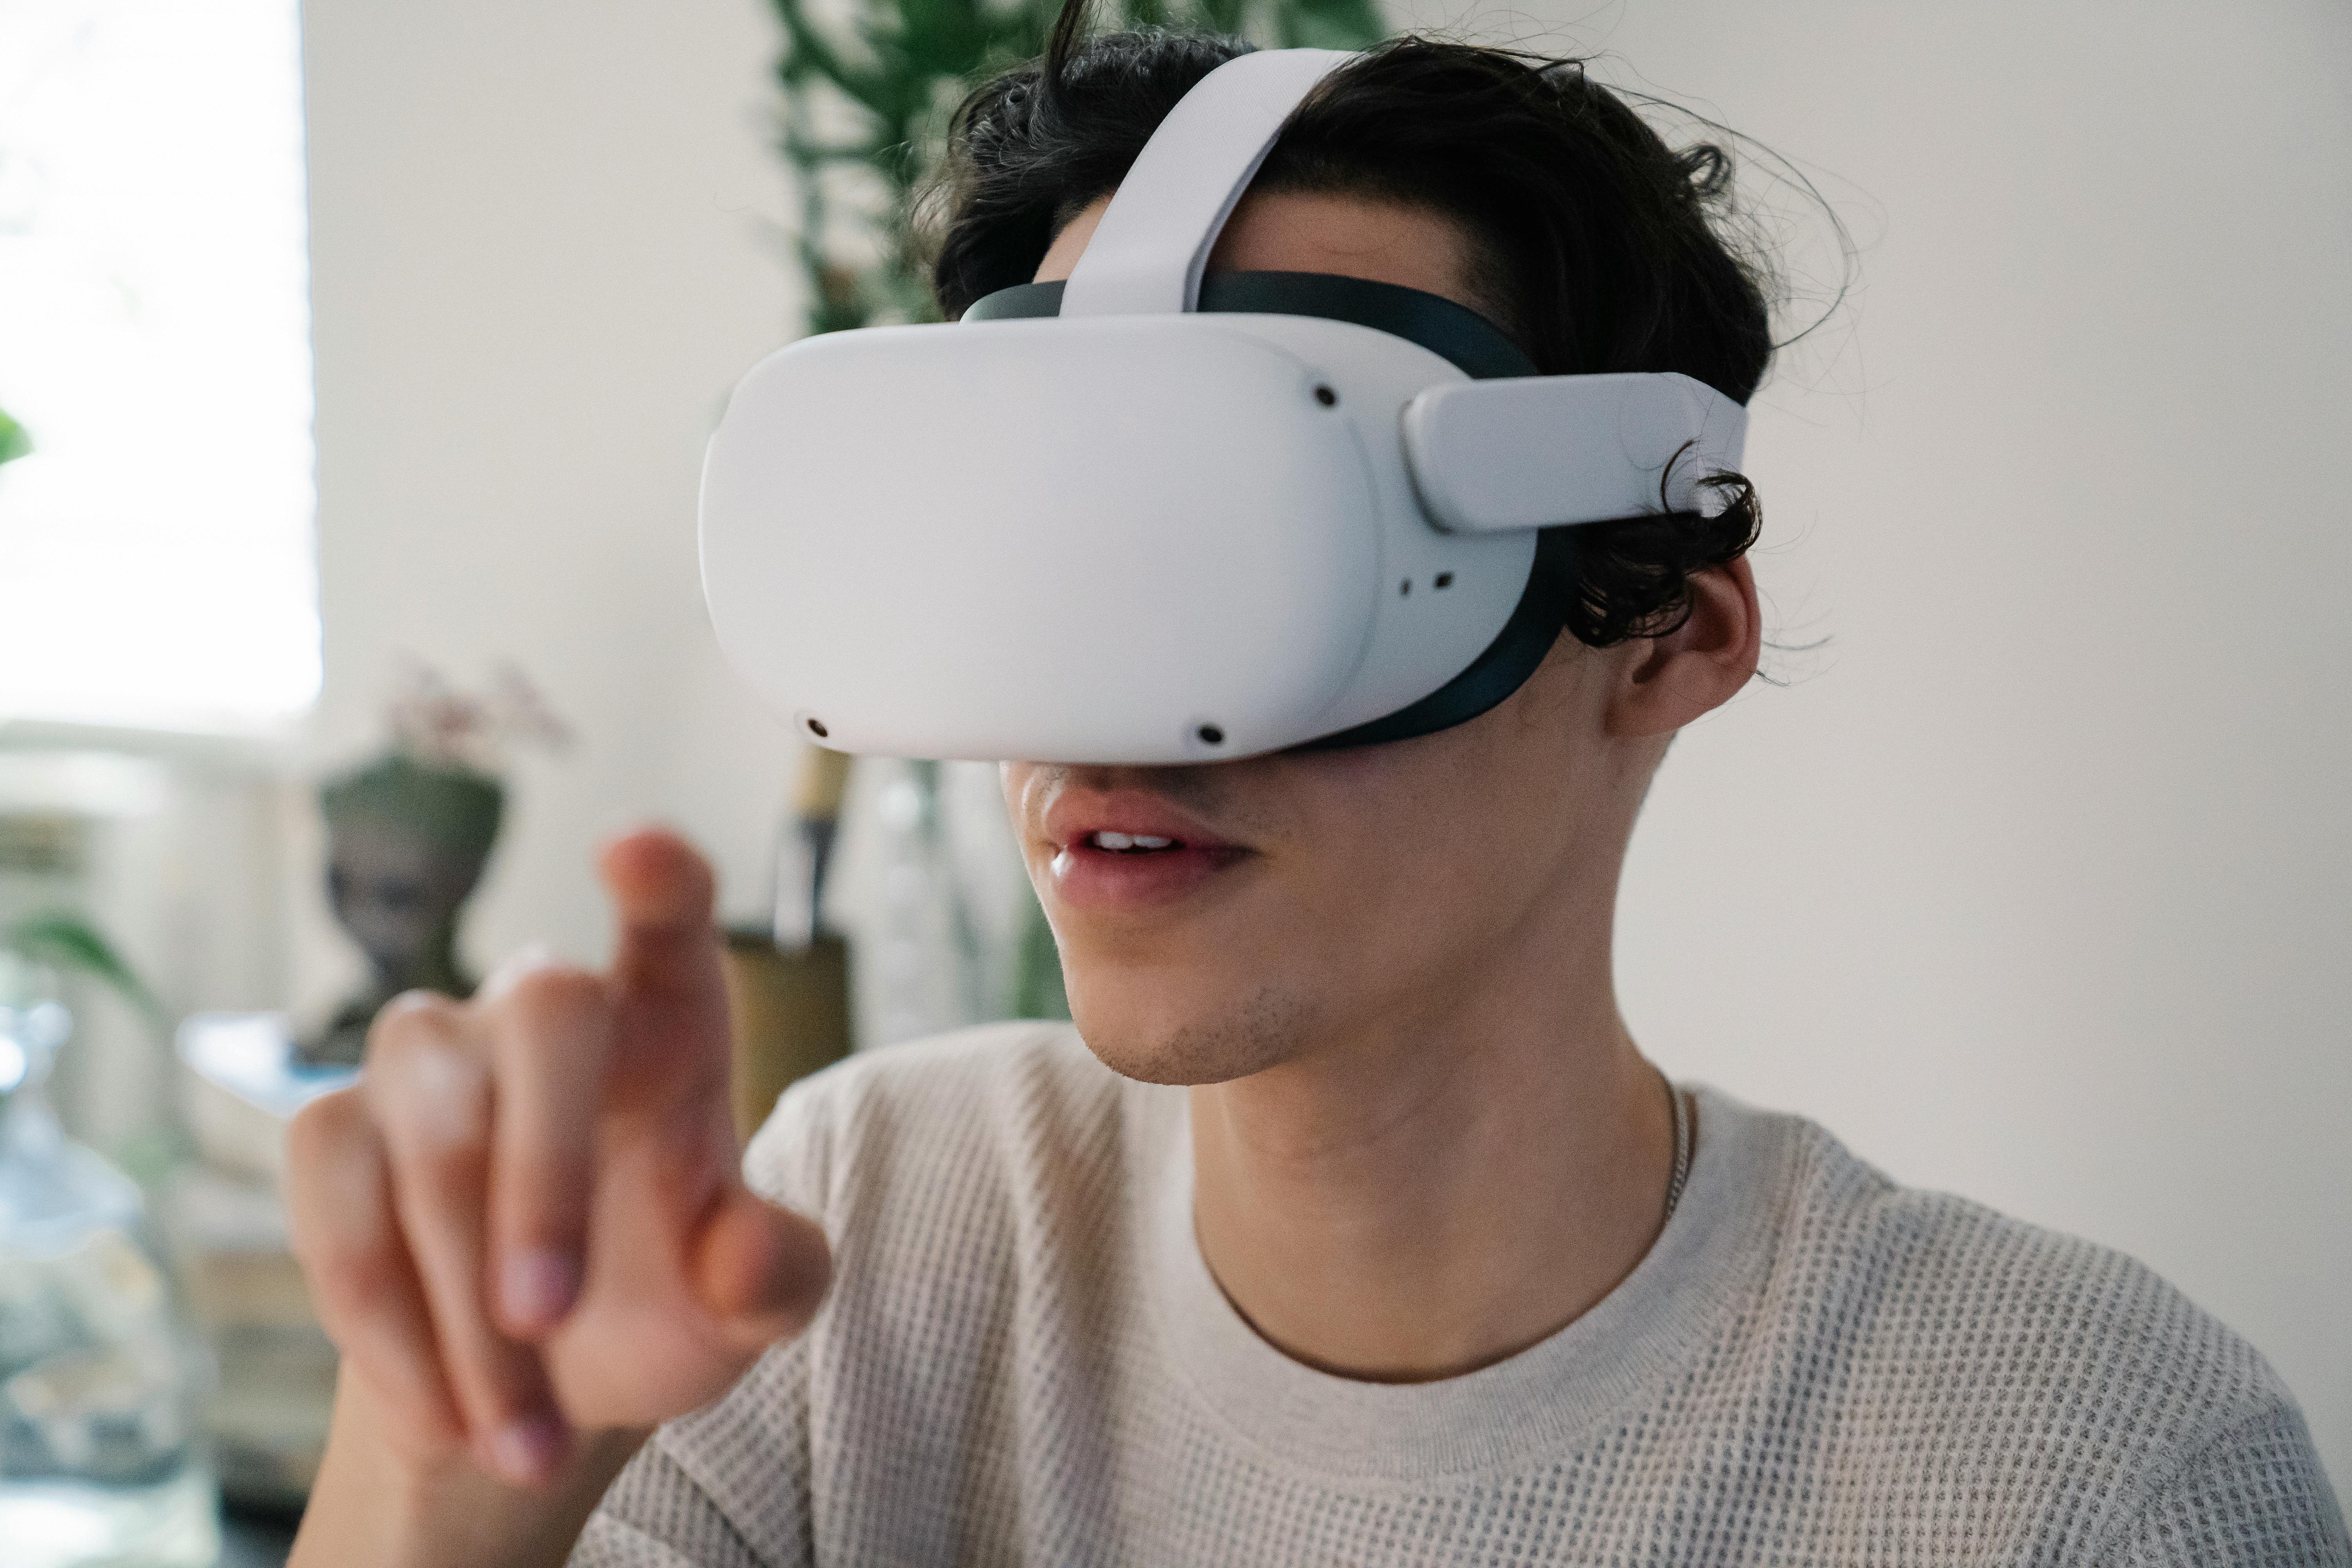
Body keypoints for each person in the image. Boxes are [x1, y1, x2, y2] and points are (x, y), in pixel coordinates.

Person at [282, 20, 2350, 1568]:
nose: (1111, 713)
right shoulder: (868, 1242)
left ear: (1668, 635)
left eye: (1251, 550)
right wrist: (447, 1458)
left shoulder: (2076, 1467)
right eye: (1047, 553)